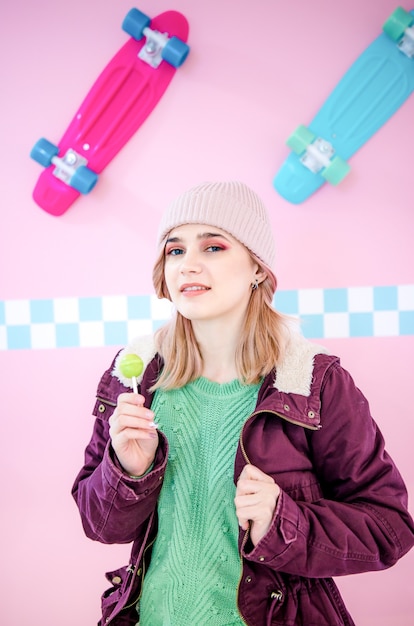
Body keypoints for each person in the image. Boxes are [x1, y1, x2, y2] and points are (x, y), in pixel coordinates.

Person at [72, 181, 414, 626]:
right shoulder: (137, 378)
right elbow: (101, 526)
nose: (188, 264)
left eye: (213, 247)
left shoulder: (314, 382)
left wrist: (282, 521)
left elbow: (388, 528)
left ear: (257, 268)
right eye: (174, 251)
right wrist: (128, 472)